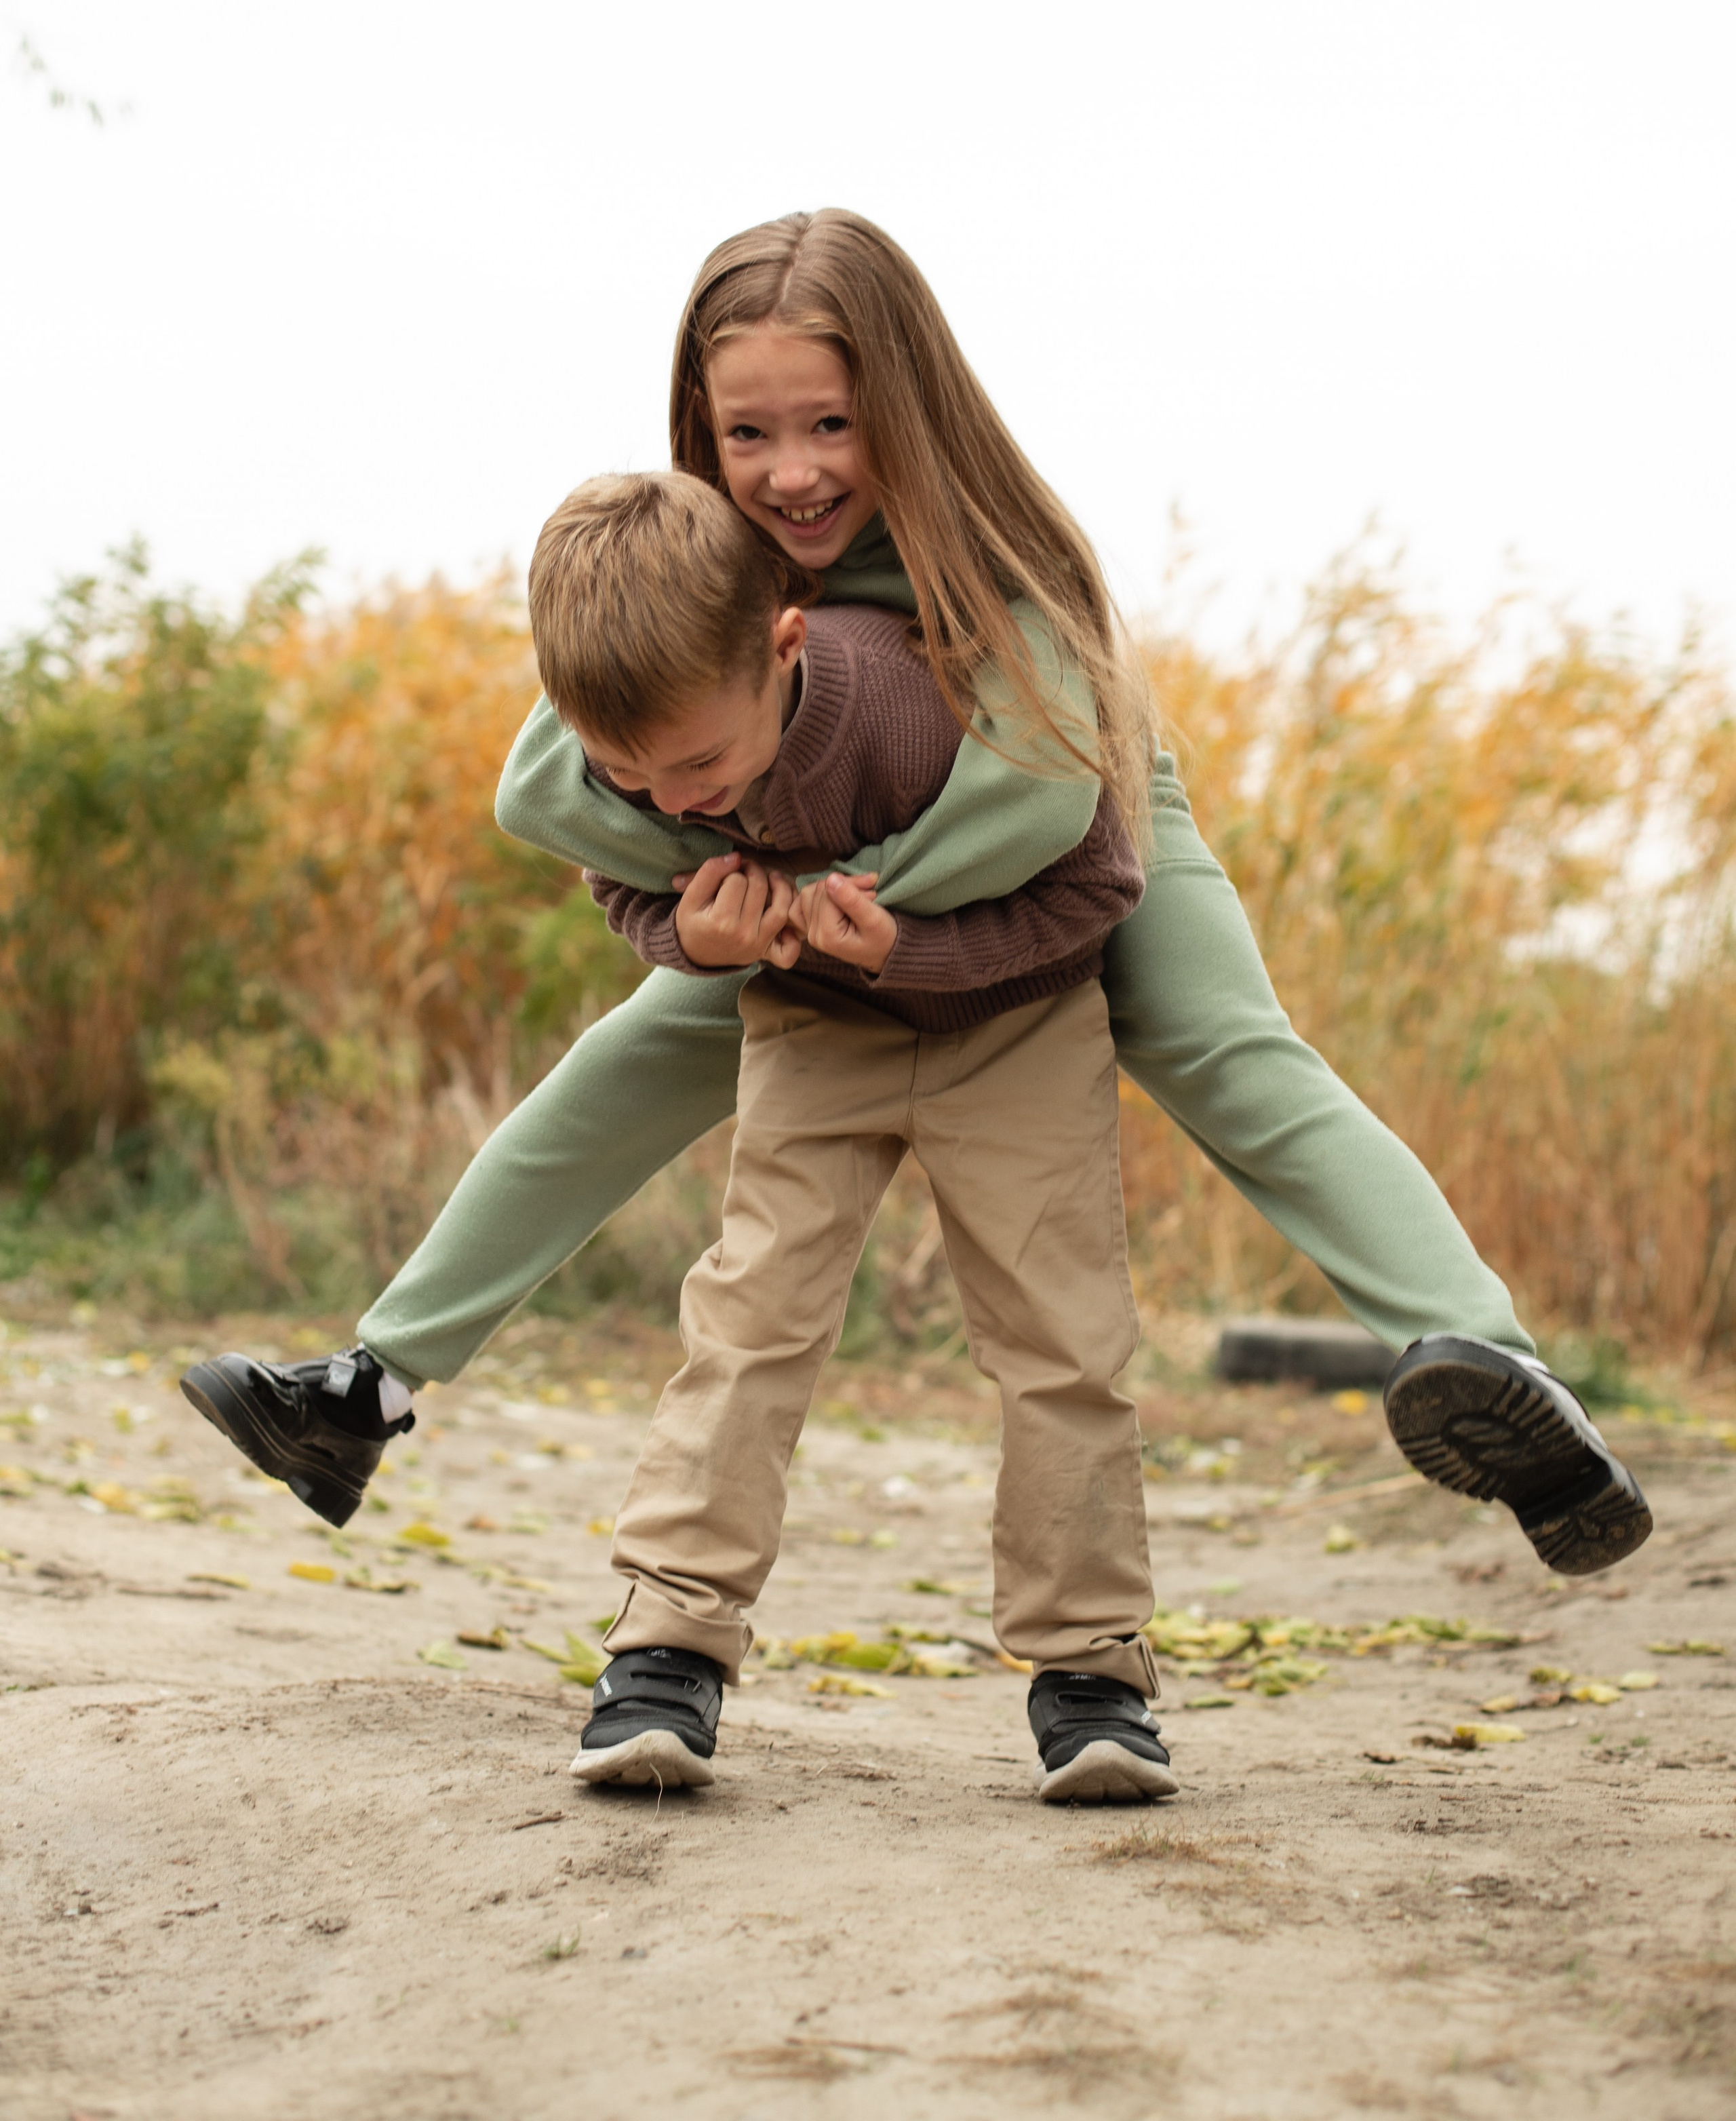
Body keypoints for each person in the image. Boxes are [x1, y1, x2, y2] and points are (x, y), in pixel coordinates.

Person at [180, 208, 1651, 1587]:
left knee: (1229, 1052)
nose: (791, 470)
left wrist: (862, 908)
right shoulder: (707, 562)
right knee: (623, 1065)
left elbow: (1039, 804)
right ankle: (365, 1389)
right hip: (805, 867)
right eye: (745, 432)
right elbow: (561, 785)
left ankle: (1496, 1370)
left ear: (904, 403)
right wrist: (705, 911)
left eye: (830, 424)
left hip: (1079, 829)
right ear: (701, 430)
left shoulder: (997, 547)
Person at [520, 469, 1170, 1801]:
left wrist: (918, 947)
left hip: (1015, 1023)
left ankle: (1091, 1676)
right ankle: (666, 1646)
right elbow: (620, 874)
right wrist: (682, 936)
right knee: (750, 1316)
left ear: (786, 644)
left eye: (698, 766)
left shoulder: (916, 702)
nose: (678, 800)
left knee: (1062, 1338)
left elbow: (1098, 881)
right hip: (814, 1027)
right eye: (632, 775)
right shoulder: (651, 756)